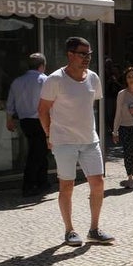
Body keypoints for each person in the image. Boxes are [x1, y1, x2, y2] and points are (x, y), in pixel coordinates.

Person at [38, 36, 113, 246]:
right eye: (83, 54)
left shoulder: (93, 78)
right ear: (70, 54)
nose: (87, 58)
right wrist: (48, 135)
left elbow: (89, 106)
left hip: (90, 139)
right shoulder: (55, 79)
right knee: (67, 186)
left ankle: (94, 229)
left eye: (89, 54)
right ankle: (69, 230)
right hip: (64, 141)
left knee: (98, 184)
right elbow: (42, 110)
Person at [6, 52, 50, 196]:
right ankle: (29, 185)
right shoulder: (45, 80)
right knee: (37, 154)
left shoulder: (17, 81)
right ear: (42, 66)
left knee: (39, 151)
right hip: (41, 120)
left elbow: (10, 103)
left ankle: (43, 182)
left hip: (25, 121)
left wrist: (9, 119)